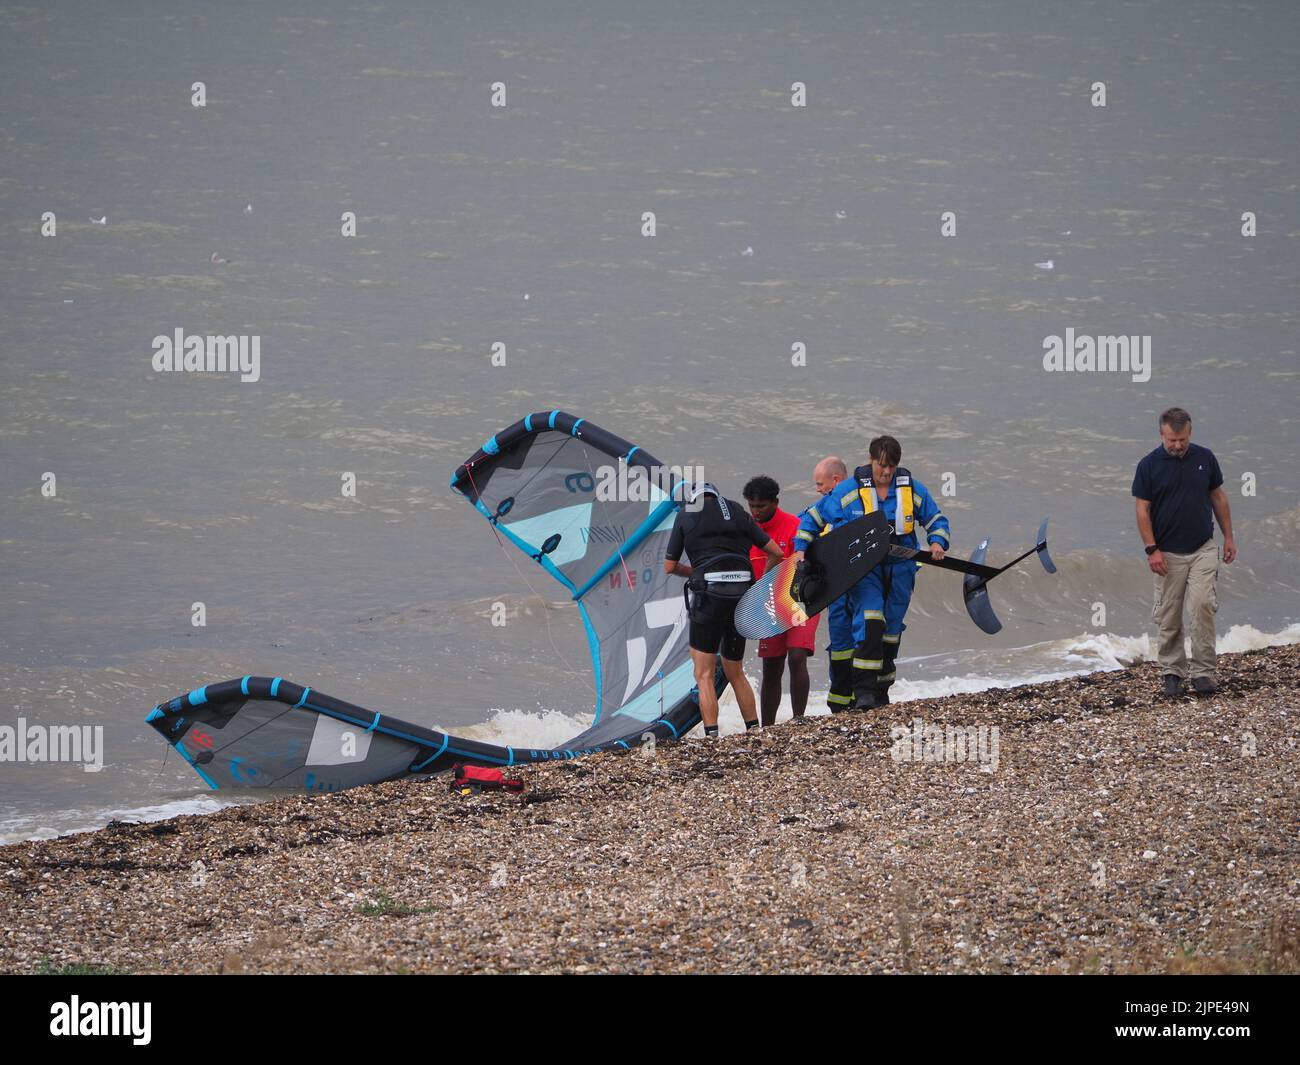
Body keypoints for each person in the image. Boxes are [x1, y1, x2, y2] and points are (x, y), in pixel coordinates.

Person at [793, 436, 949, 709]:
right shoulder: (849, 490)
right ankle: (863, 692)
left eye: (891, 466)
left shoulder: (912, 489)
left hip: (901, 569)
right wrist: (800, 548)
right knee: (870, 618)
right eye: (881, 466)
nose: (886, 472)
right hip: (864, 569)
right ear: (871, 460)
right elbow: (813, 518)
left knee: (890, 632)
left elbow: (936, 519)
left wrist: (938, 541)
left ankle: (881, 692)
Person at [665, 483, 784, 736]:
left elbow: (669, 566)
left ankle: (712, 736)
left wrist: (697, 572)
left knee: (704, 673)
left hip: (709, 596)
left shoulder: (686, 513)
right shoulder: (739, 512)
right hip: (741, 594)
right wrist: (761, 585)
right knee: (735, 670)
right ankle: (754, 730)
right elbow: (776, 553)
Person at [1132, 407, 1236, 695]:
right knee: (1169, 614)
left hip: (1203, 547)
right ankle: (1172, 672)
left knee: (1203, 605)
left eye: (1182, 440)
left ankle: (1203, 673)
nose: (1177, 446)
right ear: (1161, 434)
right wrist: (1151, 549)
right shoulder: (1148, 466)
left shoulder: (1205, 458)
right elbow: (1142, 509)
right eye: (1171, 440)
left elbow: (1218, 497)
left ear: (1189, 433)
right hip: (1166, 553)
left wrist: (1229, 537)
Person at [742, 475, 819, 725]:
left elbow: (810, 566)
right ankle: (768, 726)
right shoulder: (746, 532)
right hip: (768, 603)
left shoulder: (796, 526)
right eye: (751, 506)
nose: (755, 512)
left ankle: (798, 720)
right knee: (771, 666)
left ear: (776, 502)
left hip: (799, 599)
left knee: (797, 655)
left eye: (761, 506)